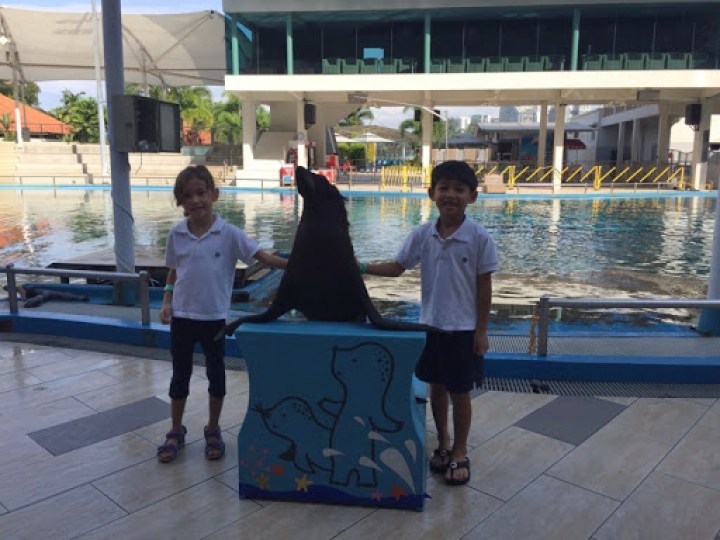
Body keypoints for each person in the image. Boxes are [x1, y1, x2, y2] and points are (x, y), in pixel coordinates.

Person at [359, 160, 498, 486]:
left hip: (463, 330)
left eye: (459, 189)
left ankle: (460, 450)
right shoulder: (422, 234)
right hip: (431, 326)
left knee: (460, 393)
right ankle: (444, 442)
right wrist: (362, 266)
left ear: (472, 197)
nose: (451, 195)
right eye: (444, 188)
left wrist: (481, 331)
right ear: (431, 193)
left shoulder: (479, 237)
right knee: (436, 387)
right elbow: (397, 267)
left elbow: (485, 287)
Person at [157, 165, 287, 463]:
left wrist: (299, 263)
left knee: (216, 375)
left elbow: (263, 257)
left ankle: (213, 428)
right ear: (180, 202)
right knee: (180, 375)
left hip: (213, 318)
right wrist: (167, 299)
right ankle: (175, 429)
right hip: (182, 317)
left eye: (201, 193)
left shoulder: (229, 234)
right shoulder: (176, 234)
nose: (195, 200)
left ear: (214, 194)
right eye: (187, 196)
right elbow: (174, 270)